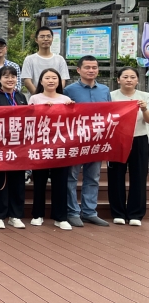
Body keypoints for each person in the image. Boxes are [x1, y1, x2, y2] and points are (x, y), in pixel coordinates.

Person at [64, 56, 111, 227]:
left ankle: (89, 212)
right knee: (71, 177)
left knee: (93, 177)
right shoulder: (69, 90)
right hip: (76, 140)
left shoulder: (105, 90)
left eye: (94, 67)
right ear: (78, 70)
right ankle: (72, 212)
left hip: (97, 140)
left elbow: (111, 113)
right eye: (87, 67)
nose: (91, 70)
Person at [28, 68, 74, 231]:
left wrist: (71, 108)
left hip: (60, 145)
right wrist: (40, 109)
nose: (51, 81)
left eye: (54, 78)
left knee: (60, 181)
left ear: (59, 81)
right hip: (40, 145)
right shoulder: (34, 98)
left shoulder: (65, 99)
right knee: (39, 181)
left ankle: (60, 217)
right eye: (47, 78)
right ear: (41, 81)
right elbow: (28, 120)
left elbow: (73, 123)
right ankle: (37, 215)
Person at [0, 65, 28, 229]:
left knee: (18, 182)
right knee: (1, 181)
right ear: (0, 79)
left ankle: (15, 215)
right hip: (0, 146)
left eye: (13, 76)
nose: (10, 79)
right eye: (6, 76)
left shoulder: (21, 97)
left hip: (19, 147)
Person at [108, 67, 149, 226]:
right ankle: (118, 212)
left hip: (139, 139)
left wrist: (144, 109)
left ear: (137, 80)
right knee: (116, 176)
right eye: (125, 77)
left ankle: (135, 214)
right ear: (118, 80)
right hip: (117, 140)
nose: (129, 80)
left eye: (132, 77)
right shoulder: (111, 96)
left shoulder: (145, 96)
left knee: (139, 176)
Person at [22, 27, 70, 94]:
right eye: (42, 37)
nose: (46, 39)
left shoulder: (60, 59)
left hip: (55, 98)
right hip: (36, 98)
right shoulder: (29, 59)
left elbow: (63, 80)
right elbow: (27, 81)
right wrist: (39, 97)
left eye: (48, 36)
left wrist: (55, 96)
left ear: (52, 39)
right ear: (36, 40)